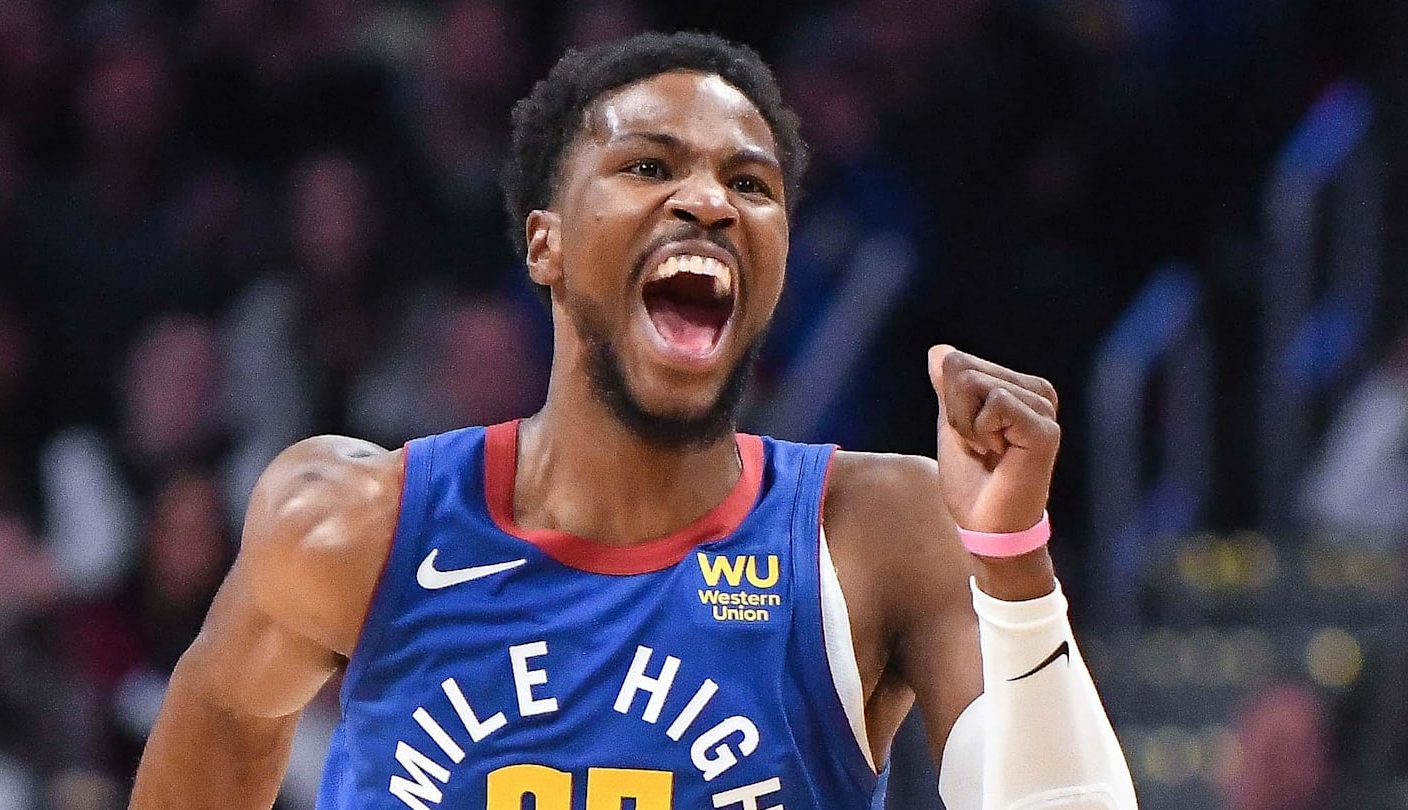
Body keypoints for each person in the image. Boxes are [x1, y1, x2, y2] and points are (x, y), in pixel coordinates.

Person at [129, 31, 1137, 809]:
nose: (710, 202)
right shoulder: (351, 523)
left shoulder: (877, 533)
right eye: (650, 167)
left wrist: (1013, 564)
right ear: (547, 245)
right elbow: (219, 726)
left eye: (750, 183)